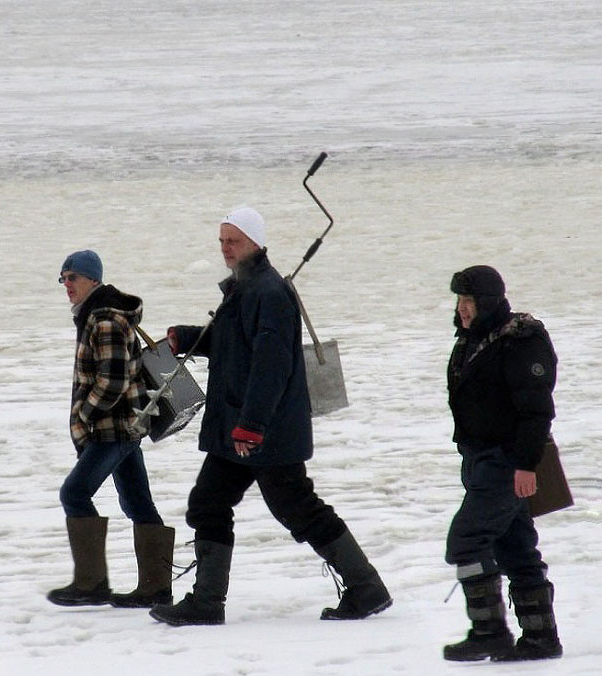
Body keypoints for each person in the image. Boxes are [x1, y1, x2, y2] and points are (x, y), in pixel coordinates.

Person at [149, 208, 391, 626]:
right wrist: (187, 338)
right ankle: (207, 602)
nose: (226, 248)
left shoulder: (269, 292)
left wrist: (253, 425)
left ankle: (366, 587)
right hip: (239, 428)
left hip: (264, 431)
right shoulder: (247, 287)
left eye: (234, 241)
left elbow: (272, 364)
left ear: (256, 243)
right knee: (208, 503)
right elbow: (235, 343)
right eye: (222, 240)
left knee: (297, 508)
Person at [443, 265, 563, 661]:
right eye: (460, 300)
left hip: (507, 462)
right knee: (515, 548)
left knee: (467, 540)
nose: (462, 308)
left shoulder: (520, 341)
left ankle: (489, 631)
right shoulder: (474, 339)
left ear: (489, 302)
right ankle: (540, 637)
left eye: (469, 301)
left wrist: (527, 466)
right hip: (480, 459)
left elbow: (536, 410)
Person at [47, 250, 175, 609]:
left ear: (93, 280)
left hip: (114, 428)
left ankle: (91, 584)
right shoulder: (96, 315)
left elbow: (113, 380)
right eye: (63, 278)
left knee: (74, 494)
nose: (67, 285)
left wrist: (84, 414)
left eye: (73, 277)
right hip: (123, 427)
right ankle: (155, 588)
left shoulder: (103, 320)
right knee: (137, 503)